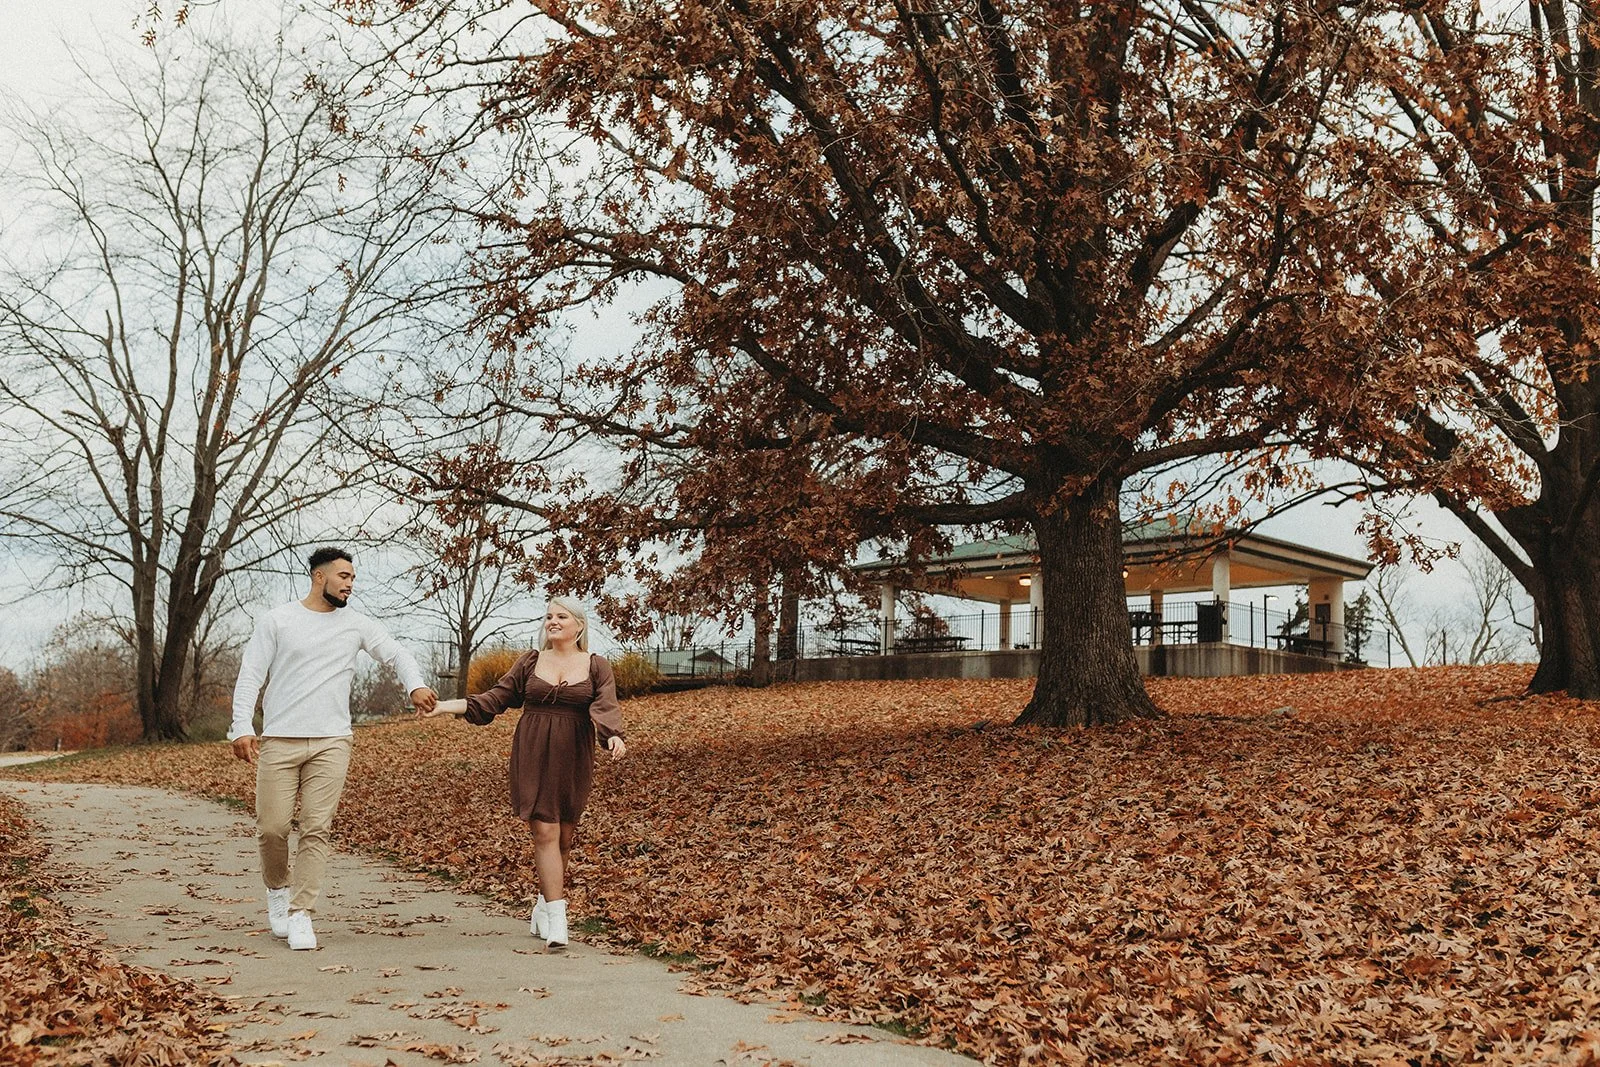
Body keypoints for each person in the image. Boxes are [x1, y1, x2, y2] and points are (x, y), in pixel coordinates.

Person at [230, 546, 437, 951]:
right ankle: (277, 889)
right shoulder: (278, 621)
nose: (350, 584)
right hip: (280, 739)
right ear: (319, 576)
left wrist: (415, 684)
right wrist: (241, 726)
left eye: (353, 578)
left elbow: (395, 654)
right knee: (272, 828)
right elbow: (250, 674)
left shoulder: (356, 624)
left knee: (315, 827)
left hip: (332, 741)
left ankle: (301, 912)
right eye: (344, 576)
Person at [422, 596, 625, 948]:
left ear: (579, 625)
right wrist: (443, 707)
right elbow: (493, 699)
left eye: (561, 616)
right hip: (532, 750)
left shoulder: (596, 665)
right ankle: (559, 921)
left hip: (574, 754)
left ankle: (543, 906)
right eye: (549, 616)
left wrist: (613, 736)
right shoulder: (530, 661)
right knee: (545, 831)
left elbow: (606, 705)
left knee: (563, 836)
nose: (553, 621)